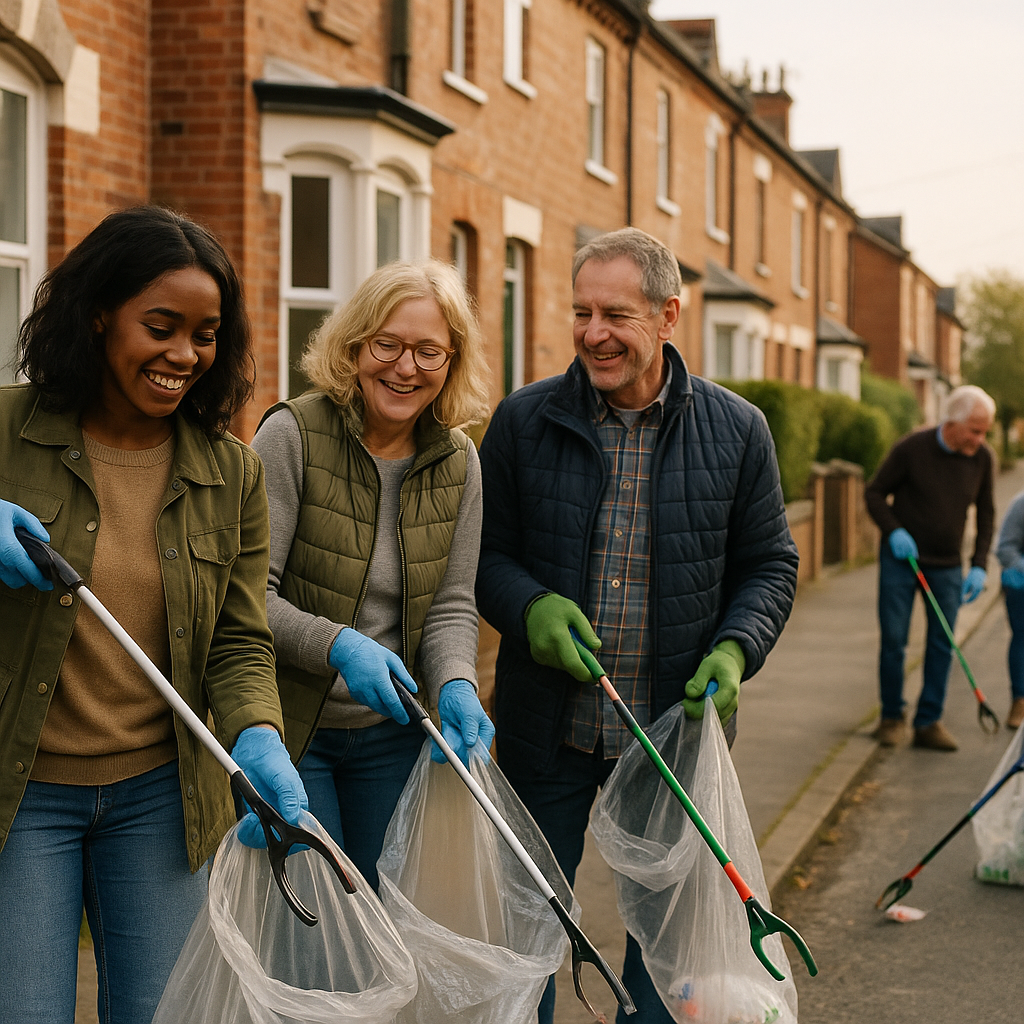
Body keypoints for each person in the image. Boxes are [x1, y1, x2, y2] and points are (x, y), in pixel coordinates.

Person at [475, 227, 799, 1023]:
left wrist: (735, 647)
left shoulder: (738, 431)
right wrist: (528, 605)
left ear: (669, 316)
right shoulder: (521, 422)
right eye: (582, 312)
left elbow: (771, 565)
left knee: (662, 954)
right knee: (526, 936)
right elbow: (483, 557)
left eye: (615, 313)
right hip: (541, 731)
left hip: (670, 735)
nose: (593, 333)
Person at [0, 206, 307, 1024]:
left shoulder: (230, 473)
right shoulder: (6, 431)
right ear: (100, 314)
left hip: (160, 800)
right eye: (161, 327)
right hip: (25, 794)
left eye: (205, 334)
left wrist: (260, 735)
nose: (184, 355)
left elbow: (240, 643)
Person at [251, 259, 494, 891]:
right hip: (291, 732)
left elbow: (452, 604)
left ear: (452, 361)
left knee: (381, 921)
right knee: (320, 929)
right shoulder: (292, 435)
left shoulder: (458, 460)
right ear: (355, 344)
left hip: (392, 736)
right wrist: (338, 645)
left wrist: (457, 684)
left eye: (428, 351)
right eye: (386, 344)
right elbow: (246, 598)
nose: (405, 367)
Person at [865, 384, 996, 751]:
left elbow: (986, 514)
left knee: (943, 644)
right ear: (952, 422)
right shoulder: (911, 448)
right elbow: (874, 493)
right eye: (975, 430)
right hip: (901, 561)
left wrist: (980, 566)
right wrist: (894, 531)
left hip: (948, 566)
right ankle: (891, 718)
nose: (980, 439)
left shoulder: (982, 458)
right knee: (894, 641)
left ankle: (929, 722)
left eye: (983, 431)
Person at [996, 488, 1024, 729]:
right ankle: (1020, 701)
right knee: (1022, 638)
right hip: (1021, 584)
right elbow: (1005, 549)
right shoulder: (1021, 504)